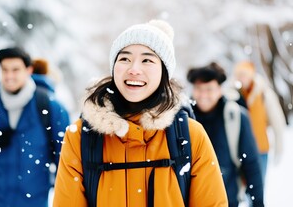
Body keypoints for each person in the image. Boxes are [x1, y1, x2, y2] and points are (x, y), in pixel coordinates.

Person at [53, 20, 228, 206]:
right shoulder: (81, 136)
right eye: (125, 59)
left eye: (147, 60)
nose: (134, 69)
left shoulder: (189, 135)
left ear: (164, 73)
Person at [0, 47, 70, 207]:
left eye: (15, 70)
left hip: (36, 200)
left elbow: (66, 154)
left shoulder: (50, 106)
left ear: (28, 70)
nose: (9, 76)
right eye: (5, 70)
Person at [187, 62, 264, 207]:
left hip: (228, 200)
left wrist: (258, 202)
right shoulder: (184, 119)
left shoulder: (236, 116)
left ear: (220, 90)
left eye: (209, 89)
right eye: (198, 88)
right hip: (191, 201)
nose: (203, 95)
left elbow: (251, 163)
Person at [232, 61, 285, 185]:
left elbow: (278, 122)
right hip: (239, 151)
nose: (242, 78)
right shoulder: (233, 94)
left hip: (260, 149)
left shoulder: (264, 93)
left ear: (251, 75)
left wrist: (279, 148)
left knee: (257, 187)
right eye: (239, 75)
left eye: (244, 74)